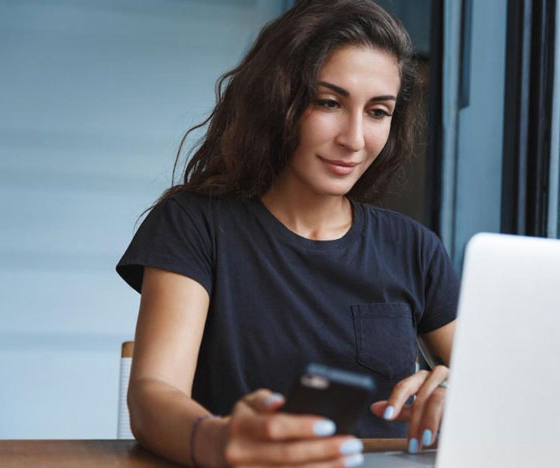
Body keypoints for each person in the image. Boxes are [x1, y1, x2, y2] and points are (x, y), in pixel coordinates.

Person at [116, 1, 459, 467]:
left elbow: (494, 391)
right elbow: (153, 395)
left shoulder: (414, 248)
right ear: (277, 101)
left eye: (378, 112)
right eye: (329, 103)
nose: (355, 139)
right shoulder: (194, 225)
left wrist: (455, 392)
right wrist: (221, 441)